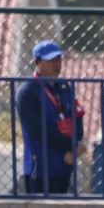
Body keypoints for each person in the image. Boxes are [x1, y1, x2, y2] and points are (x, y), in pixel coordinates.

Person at [16, 40, 86, 195]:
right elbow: (40, 130)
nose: (56, 64)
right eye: (50, 60)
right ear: (36, 62)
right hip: (40, 169)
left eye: (59, 59)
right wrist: (72, 145)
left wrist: (74, 146)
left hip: (64, 164)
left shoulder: (64, 86)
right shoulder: (27, 92)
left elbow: (77, 117)